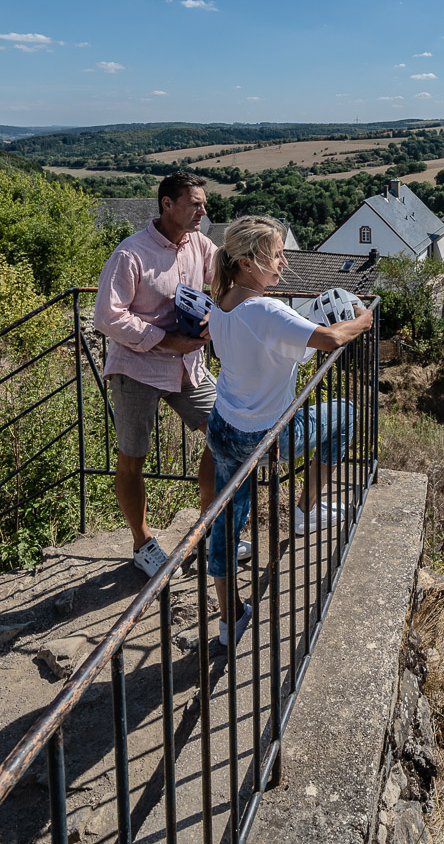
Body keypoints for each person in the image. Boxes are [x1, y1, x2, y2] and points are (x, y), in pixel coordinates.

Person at [201, 215, 373, 647]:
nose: (283, 263)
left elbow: (258, 344)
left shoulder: (221, 304)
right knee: (346, 415)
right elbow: (331, 339)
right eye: (275, 255)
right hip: (265, 434)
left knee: (224, 521)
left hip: (225, 424)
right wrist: (364, 321)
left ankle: (229, 619)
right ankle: (304, 511)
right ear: (245, 262)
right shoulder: (264, 309)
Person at [92, 172, 218, 576]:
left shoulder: (199, 244)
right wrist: (164, 340)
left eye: (202, 203)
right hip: (138, 368)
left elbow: (228, 276)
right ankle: (142, 542)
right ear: (167, 204)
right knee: (133, 459)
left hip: (188, 367)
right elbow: (108, 317)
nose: (203, 210)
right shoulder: (131, 253)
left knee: (225, 434)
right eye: (194, 203)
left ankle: (210, 528)